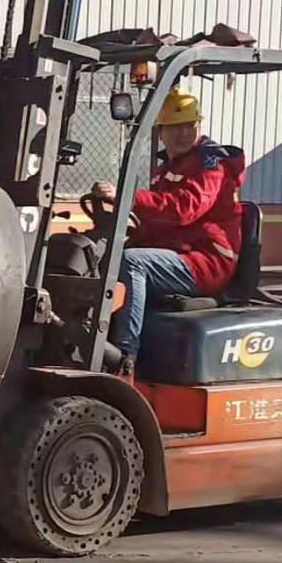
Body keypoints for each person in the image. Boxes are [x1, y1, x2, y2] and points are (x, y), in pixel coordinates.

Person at [89, 89, 245, 365]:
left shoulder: (210, 166)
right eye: (175, 127)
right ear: (161, 131)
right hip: (181, 253)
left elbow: (183, 210)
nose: (183, 133)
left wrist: (128, 197)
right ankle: (95, 342)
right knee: (104, 256)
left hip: (207, 262)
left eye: (189, 125)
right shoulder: (169, 169)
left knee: (133, 262)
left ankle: (124, 357)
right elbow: (161, 221)